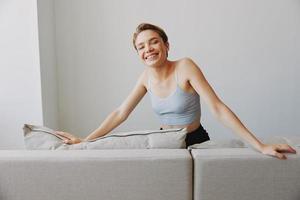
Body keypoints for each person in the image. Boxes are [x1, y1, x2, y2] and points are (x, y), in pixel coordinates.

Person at [55, 23, 296, 159]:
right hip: (164, 143)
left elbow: (218, 108)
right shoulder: (145, 78)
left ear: (166, 45)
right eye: (140, 46)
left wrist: (260, 145)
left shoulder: (185, 67)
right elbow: (120, 113)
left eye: (153, 42)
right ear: (138, 54)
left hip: (196, 140)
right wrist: (85, 141)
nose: (147, 49)